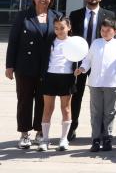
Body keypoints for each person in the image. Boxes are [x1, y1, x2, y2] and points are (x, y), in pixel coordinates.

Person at [6, 0, 60, 150]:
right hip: (25, 66)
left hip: (48, 67)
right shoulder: (23, 16)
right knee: (24, 100)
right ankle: (24, 134)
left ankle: (40, 132)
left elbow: (64, 40)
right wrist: (9, 66)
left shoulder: (57, 16)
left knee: (44, 101)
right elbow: (13, 41)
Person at [76, 17, 116, 152]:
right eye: (102, 30)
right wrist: (82, 68)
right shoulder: (96, 43)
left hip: (111, 84)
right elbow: (88, 59)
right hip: (95, 83)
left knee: (109, 112)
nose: (105, 33)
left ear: (115, 31)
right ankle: (95, 139)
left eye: (108, 30)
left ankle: (107, 138)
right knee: (96, 112)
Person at [67, 0, 115, 141]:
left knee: (100, 99)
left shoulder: (108, 15)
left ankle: (100, 130)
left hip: (99, 62)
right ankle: (72, 127)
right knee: (76, 96)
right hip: (79, 63)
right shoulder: (75, 15)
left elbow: (111, 37)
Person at [39, 16, 76, 151]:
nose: (59, 31)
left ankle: (64, 139)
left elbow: (83, 57)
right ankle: (45, 139)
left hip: (67, 78)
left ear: (69, 27)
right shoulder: (49, 41)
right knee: (48, 109)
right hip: (50, 77)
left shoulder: (74, 42)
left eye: (62, 28)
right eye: (56, 28)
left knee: (66, 109)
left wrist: (80, 69)